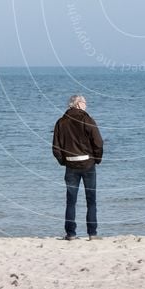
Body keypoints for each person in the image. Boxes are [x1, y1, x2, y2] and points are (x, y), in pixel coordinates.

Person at [52, 95, 104, 240]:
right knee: (91, 200)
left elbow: (56, 148)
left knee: (71, 201)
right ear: (78, 104)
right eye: (84, 102)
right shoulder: (87, 120)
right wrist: (97, 159)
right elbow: (98, 142)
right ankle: (92, 233)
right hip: (88, 164)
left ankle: (70, 234)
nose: (86, 105)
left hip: (71, 165)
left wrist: (64, 161)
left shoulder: (61, 122)